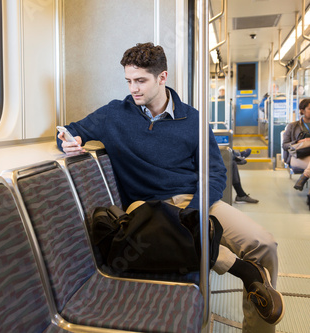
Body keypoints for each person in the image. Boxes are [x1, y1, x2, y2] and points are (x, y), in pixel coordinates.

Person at [57, 43, 283, 331]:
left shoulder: (193, 120)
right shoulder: (113, 114)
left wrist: (194, 211)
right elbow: (70, 131)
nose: (133, 89)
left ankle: (258, 327)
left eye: (141, 81)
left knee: (264, 244)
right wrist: (67, 139)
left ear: (162, 78)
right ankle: (243, 270)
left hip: (196, 200)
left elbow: (214, 173)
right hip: (146, 207)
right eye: (129, 81)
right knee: (176, 234)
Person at [282, 98, 310, 209]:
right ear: (302, 111)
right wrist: (298, 142)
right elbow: (285, 145)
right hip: (298, 156)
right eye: (309, 109)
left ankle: (305, 176)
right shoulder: (293, 126)